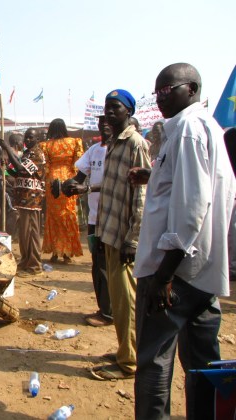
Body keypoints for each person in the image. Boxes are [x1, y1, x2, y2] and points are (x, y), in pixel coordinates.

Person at [132, 63, 236, 419]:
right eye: (156, 92)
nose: (159, 98)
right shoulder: (204, 128)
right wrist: (154, 174)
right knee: (202, 361)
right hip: (203, 272)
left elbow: (192, 206)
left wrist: (164, 275)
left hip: (174, 272)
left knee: (153, 362)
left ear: (191, 89)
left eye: (167, 90)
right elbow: (196, 187)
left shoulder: (189, 129)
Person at [89, 89, 151, 381]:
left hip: (125, 235)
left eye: (115, 108)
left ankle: (130, 363)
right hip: (110, 232)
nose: (109, 113)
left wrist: (133, 237)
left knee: (126, 299)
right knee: (117, 296)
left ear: (128, 111)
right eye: (106, 108)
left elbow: (142, 193)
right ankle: (124, 351)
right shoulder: (113, 143)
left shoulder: (135, 143)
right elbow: (111, 189)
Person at [62, 115, 112, 327]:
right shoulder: (94, 150)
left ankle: (111, 313)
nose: (104, 127)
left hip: (114, 216)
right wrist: (66, 185)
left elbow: (119, 182)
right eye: (101, 125)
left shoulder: (121, 149)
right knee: (98, 263)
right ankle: (105, 309)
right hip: (95, 216)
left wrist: (88, 188)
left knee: (111, 265)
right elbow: (80, 178)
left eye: (108, 123)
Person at [1, 128, 45, 276]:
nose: (28, 140)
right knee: (24, 233)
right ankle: (26, 260)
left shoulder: (37, 154)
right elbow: (19, 172)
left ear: (37, 139)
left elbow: (21, 168)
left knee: (32, 233)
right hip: (23, 198)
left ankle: (34, 265)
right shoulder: (27, 153)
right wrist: (6, 167)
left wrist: (7, 149)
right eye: (26, 137)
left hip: (32, 200)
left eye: (31, 137)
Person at [40, 118, 84, 263]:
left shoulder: (45, 145)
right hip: (69, 181)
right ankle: (67, 253)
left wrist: (49, 180)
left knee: (53, 216)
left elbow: (45, 167)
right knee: (68, 214)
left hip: (52, 182)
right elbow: (78, 164)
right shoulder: (74, 142)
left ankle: (54, 252)